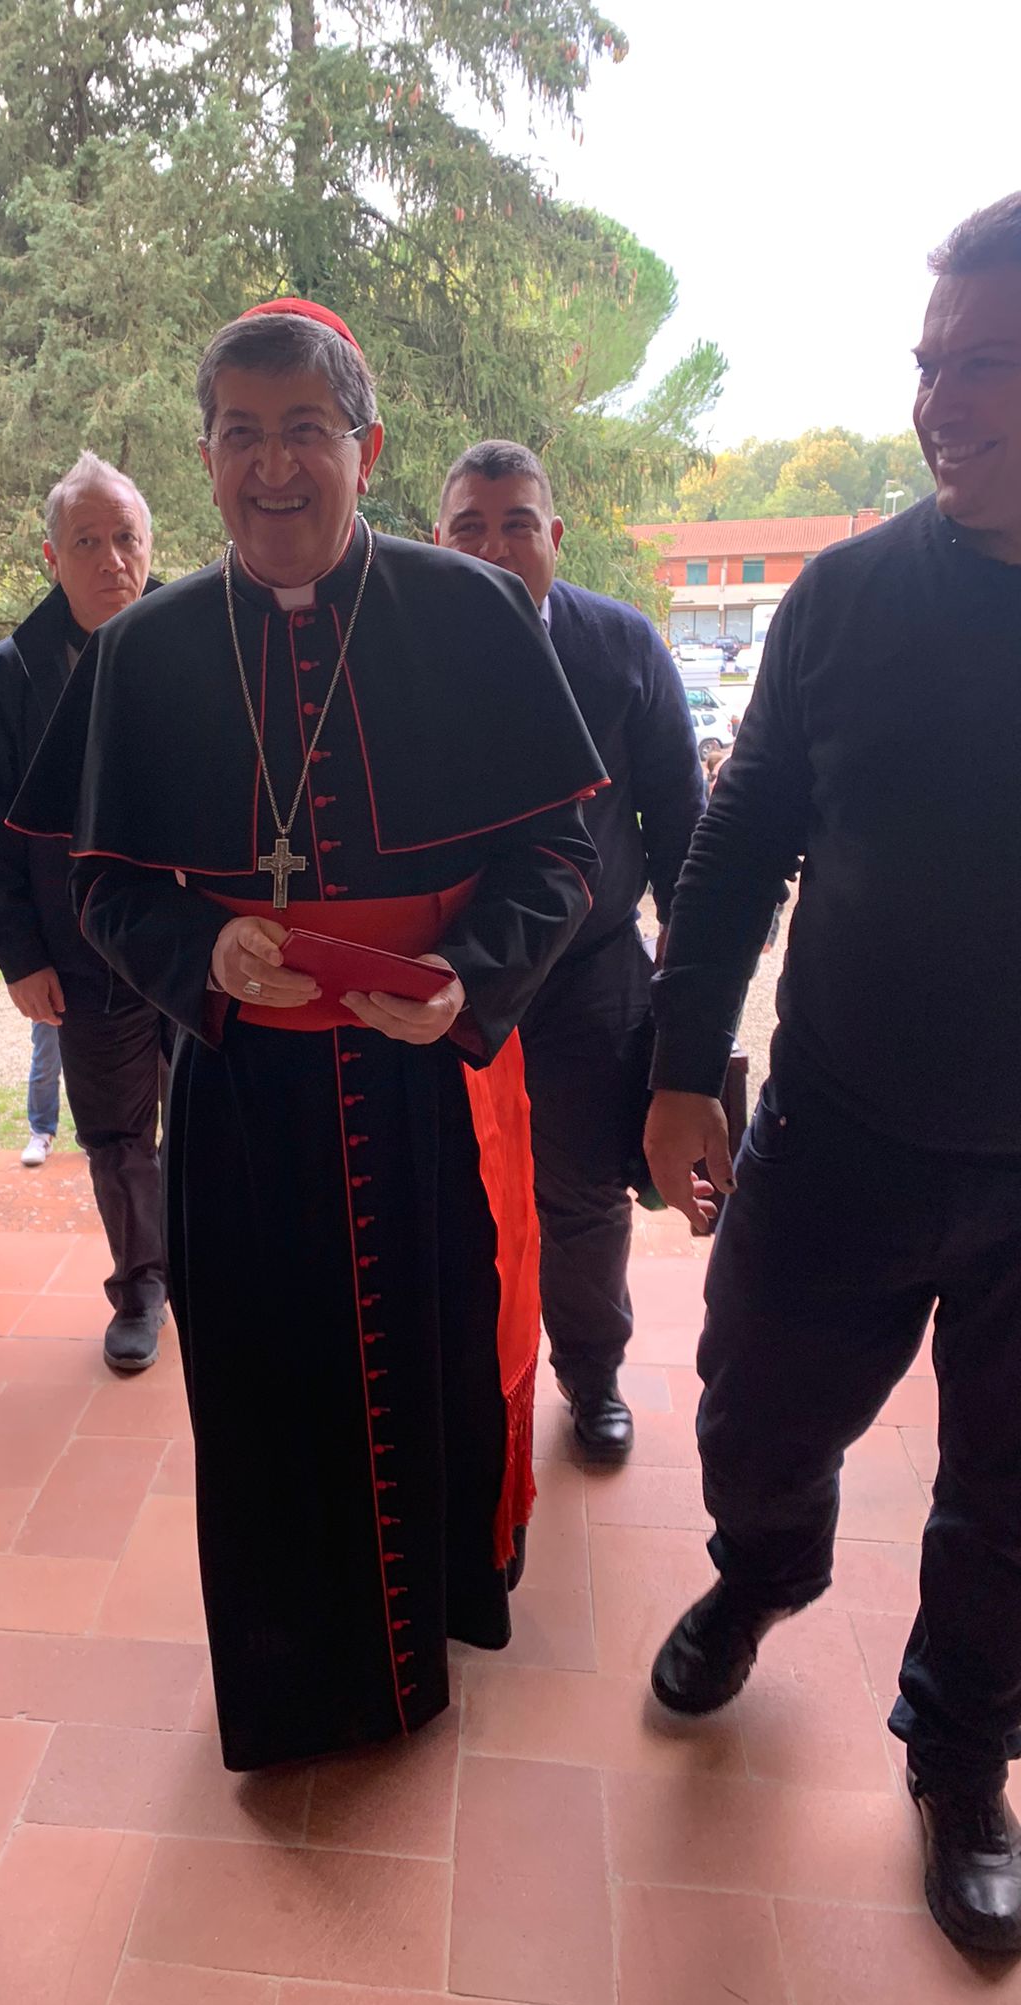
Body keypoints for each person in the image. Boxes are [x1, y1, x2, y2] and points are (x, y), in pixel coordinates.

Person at [10, 301, 604, 1771]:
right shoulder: (145, 651)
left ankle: (435, 1625)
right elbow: (101, 883)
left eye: (306, 432)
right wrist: (201, 956)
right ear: (205, 456)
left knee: (437, 1366)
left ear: (367, 447)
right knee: (267, 1400)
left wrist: (472, 976)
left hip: (420, 1091)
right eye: (240, 434)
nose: (273, 467)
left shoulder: (468, 615)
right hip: (247, 1101)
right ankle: (295, 1689)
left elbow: (561, 855)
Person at [643, 193, 1021, 1956]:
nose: (938, 400)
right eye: (925, 363)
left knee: (1012, 1498)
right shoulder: (854, 597)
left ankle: (960, 1757)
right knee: (753, 1414)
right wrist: (683, 1065)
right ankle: (765, 1570)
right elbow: (736, 849)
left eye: (980, 363)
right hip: (842, 1133)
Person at [436, 442, 704, 1460]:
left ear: (554, 534)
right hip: (451, 971)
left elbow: (683, 821)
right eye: (470, 527)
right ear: (439, 540)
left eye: (515, 524)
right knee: (457, 1186)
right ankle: (470, 1374)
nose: (495, 547)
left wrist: (690, 978)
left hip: (590, 966)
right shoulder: (407, 652)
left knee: (585, 1189)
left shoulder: (624, 647)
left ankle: (591, 1374)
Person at [0, 452, 169, 1368]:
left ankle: (220, 1267)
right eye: (88, 541)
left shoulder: (204, 640)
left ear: (151, 545)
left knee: (218, 1117)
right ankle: (143, 1286)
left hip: (207, 944)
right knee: (119, 1134)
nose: (112, 559)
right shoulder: (10, 677)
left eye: (126, 538)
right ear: (52, 556)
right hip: (86, 956)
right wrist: (17, 954)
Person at [22, 1020, 61, 1165]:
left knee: (90, 1063)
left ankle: (92, 1138)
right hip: (49, 999)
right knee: (45, 1063)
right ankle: (41, 1134)